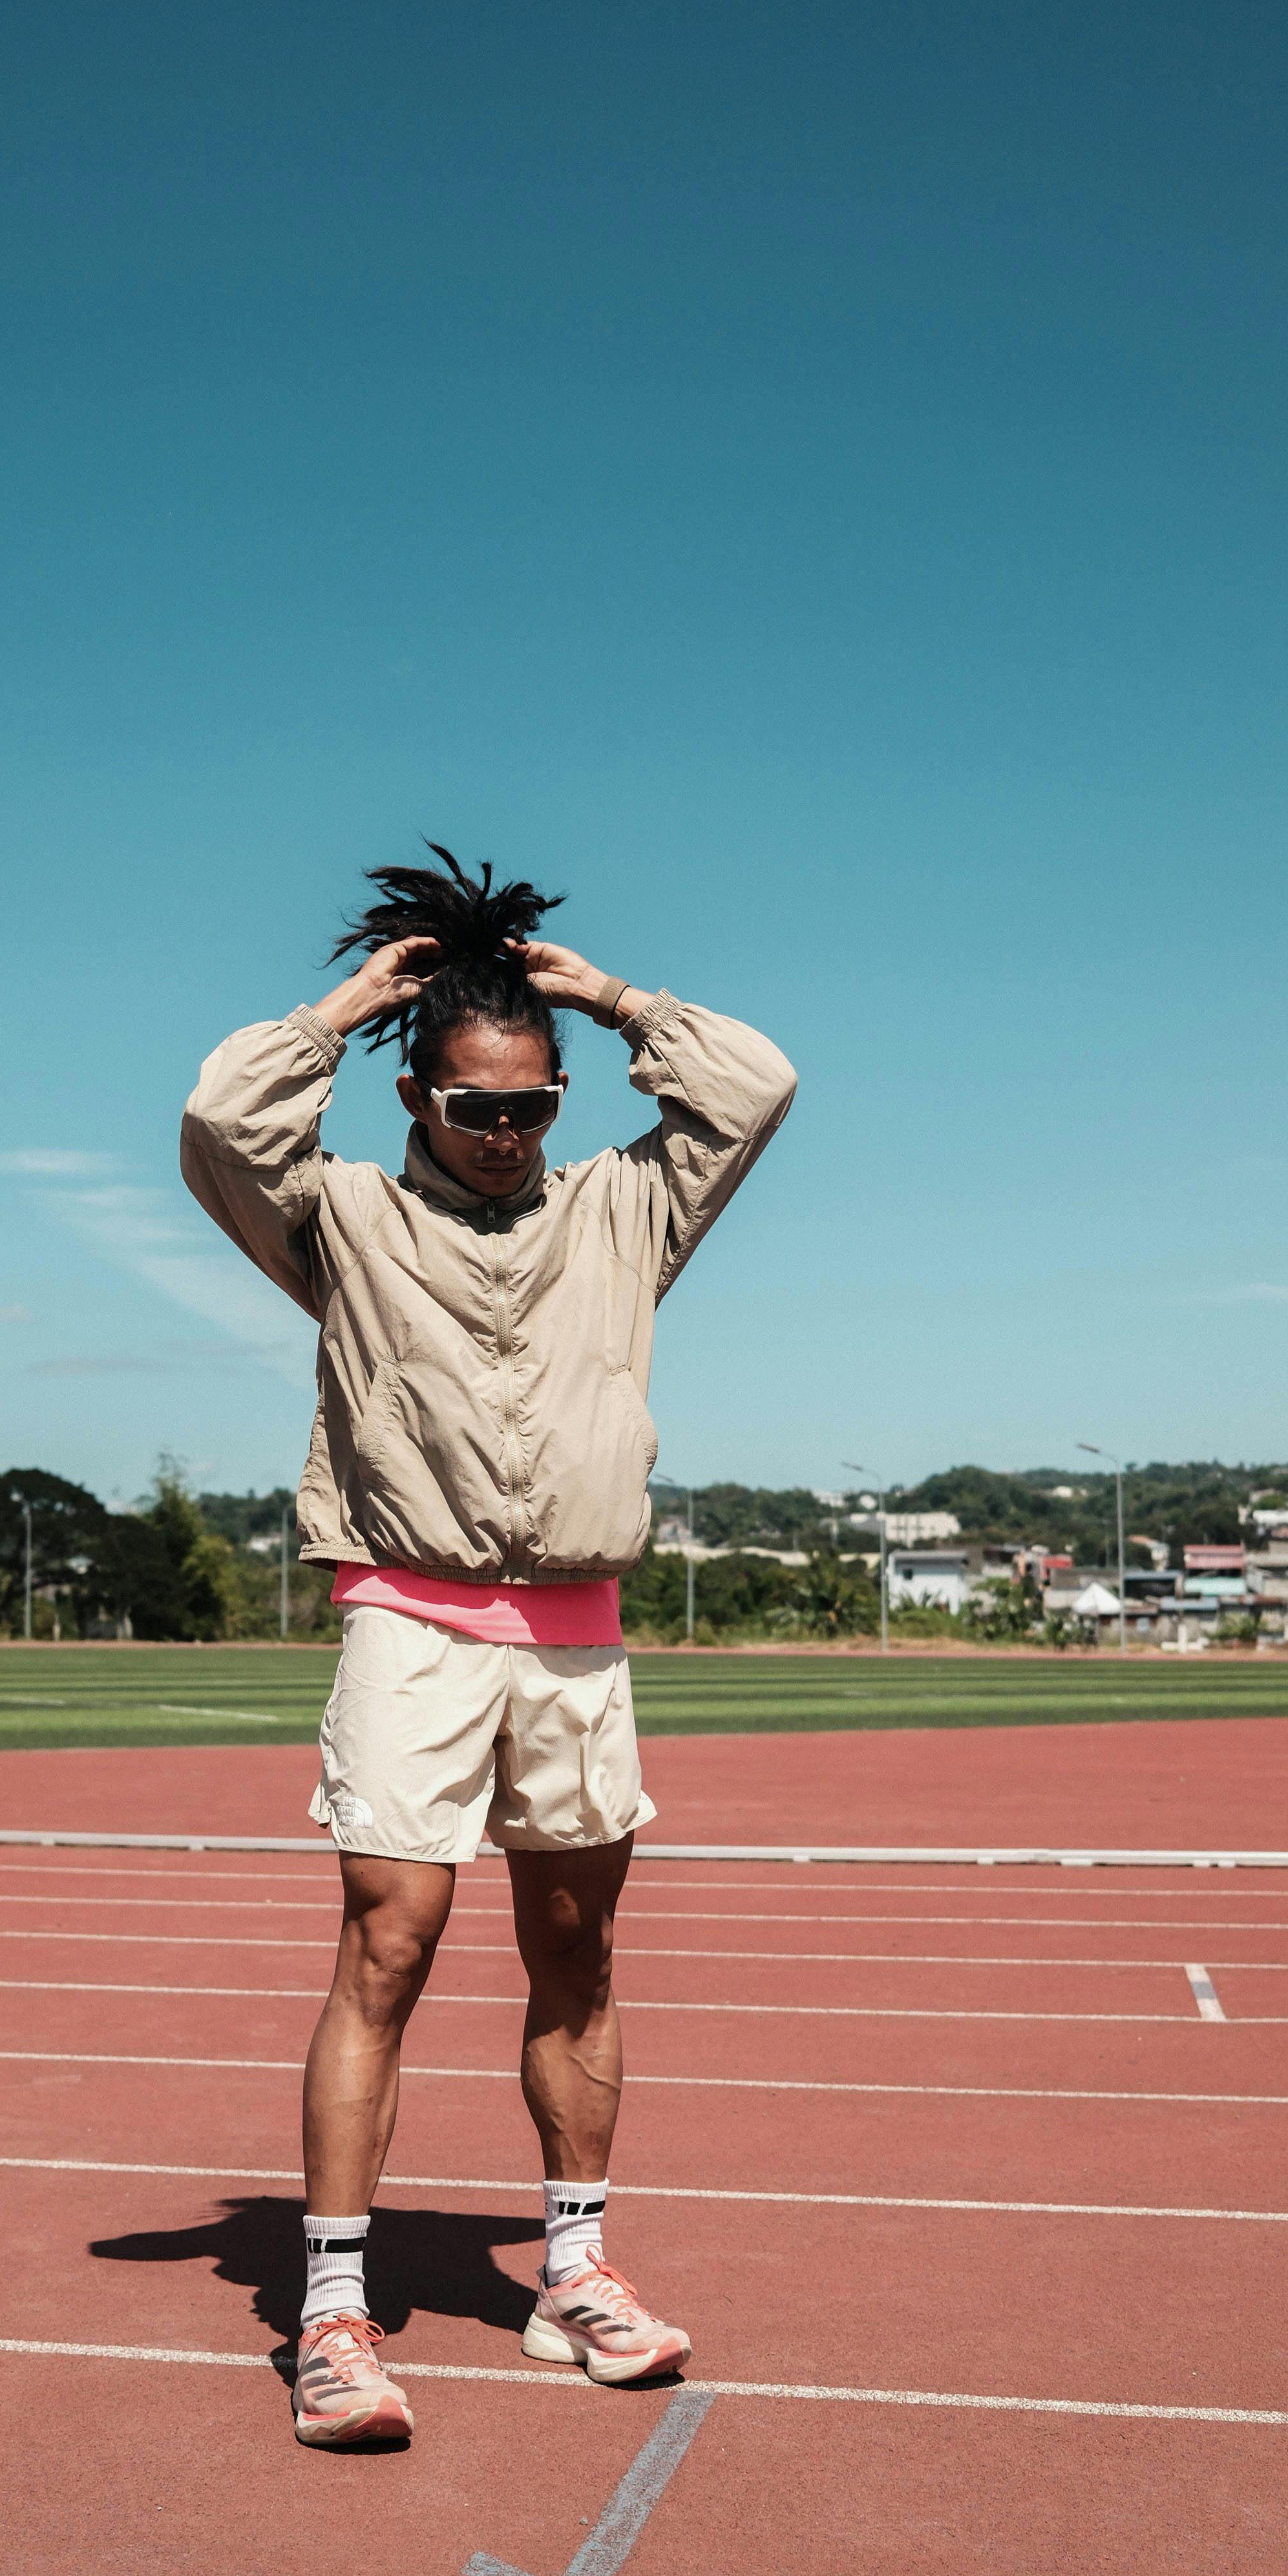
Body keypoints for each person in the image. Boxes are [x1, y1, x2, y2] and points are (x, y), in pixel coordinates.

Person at [180, 846, 796, 2447]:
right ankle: (330, 2315)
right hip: (414, 1616)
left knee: (579, 1955)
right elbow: (221, 1124)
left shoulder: (626, 1208)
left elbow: (755, 1085)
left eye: (534, 1105)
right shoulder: (342, 1218)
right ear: (417, 1097)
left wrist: (614, 998)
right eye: (475, 1106)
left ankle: (573, 2277)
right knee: (388, 1945)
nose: (510, 1132)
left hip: (576, 1637)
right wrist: (339, 1012)